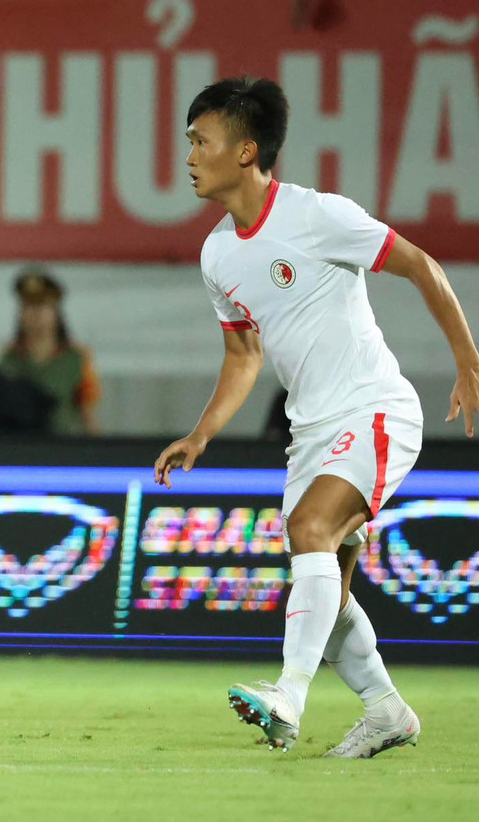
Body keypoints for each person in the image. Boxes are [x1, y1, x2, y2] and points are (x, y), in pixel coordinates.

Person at [154, 76, 479, 757]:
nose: (188, 154)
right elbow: (243, 355)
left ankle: (288, 695)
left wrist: (469, 362)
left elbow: (420, 264)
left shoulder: (319, 214)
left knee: (309, 531)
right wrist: (201, 432)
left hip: (377, 410)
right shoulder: (219, 254)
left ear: (245, 151)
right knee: (327, 593)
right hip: (312, 434)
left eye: (199, 140)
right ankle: (387, 710)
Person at [0, 270, 101, 436]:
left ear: (56, 313)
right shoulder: (9, 359)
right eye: (28, 306)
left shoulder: (76, 359)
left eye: (42, 306)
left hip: (62, 451)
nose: (35, 314)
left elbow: (87, 415)